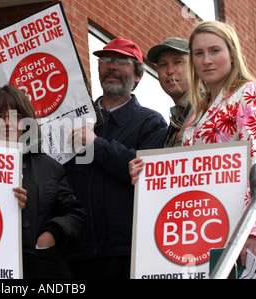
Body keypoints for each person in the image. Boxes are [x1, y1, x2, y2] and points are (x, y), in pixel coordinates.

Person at [64, 37, 168, 278]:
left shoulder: (151, 123)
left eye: (122, 61)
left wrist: (97, 145)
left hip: (126, 253)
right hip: (74, 252)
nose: (111, 66)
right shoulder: (72, 119)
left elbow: (146, 174)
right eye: (105, 60)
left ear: (139, 75)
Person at [0, 85, 86, 279]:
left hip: (40, 267)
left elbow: (75, 214)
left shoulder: (49, 167)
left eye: (15, 116)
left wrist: (51, 235)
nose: (7, 123)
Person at [182, 21, 256, 264]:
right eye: (199, 53)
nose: (206, 60)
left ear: (232, 54)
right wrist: (147, 174)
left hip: (242, 227)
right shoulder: (197, 112)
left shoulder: (250, 92)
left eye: (215, 50)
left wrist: (255, 228)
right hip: (205, 225)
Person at [147, 37, 192, 147]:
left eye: (178, 62)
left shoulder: (208, 108)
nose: (170, 70)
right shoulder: (179, 115)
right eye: (163, 64)